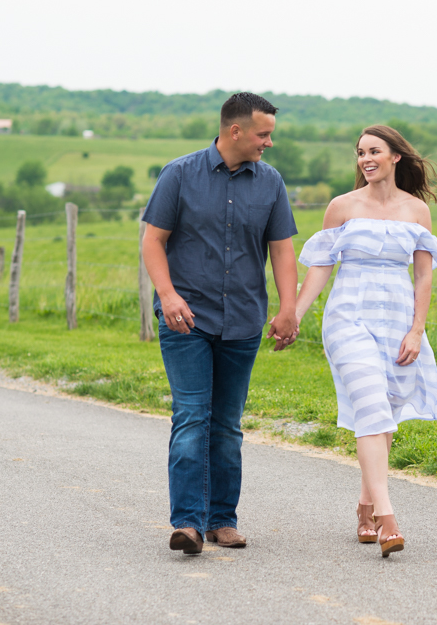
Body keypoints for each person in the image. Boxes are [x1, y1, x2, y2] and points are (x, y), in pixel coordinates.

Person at [141, 92, 299, 555]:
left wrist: (288, 307)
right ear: (236, 131)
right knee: (192, 416)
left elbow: (282, 249)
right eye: (263, 134)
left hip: (244, 321)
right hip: (185, 320)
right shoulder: (179, 174)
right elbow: (153, 241)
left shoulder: (270, 183)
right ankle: (188, 522)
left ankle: (222, 520)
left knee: (227, 425)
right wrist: (167, 295)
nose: (268, 143)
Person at [293, 125, 437, 558]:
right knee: (370, 404)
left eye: (374, 151)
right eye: (360, 152)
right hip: (348, 317)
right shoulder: (341, 207)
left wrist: (417, 330)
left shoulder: (417, 211)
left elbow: (423, 275)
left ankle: (365, 506)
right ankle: (387, 519)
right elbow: (321, 267)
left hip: (397, 317)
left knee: (383, 412)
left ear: (395, 157)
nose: (365, 159)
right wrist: (294, 315)